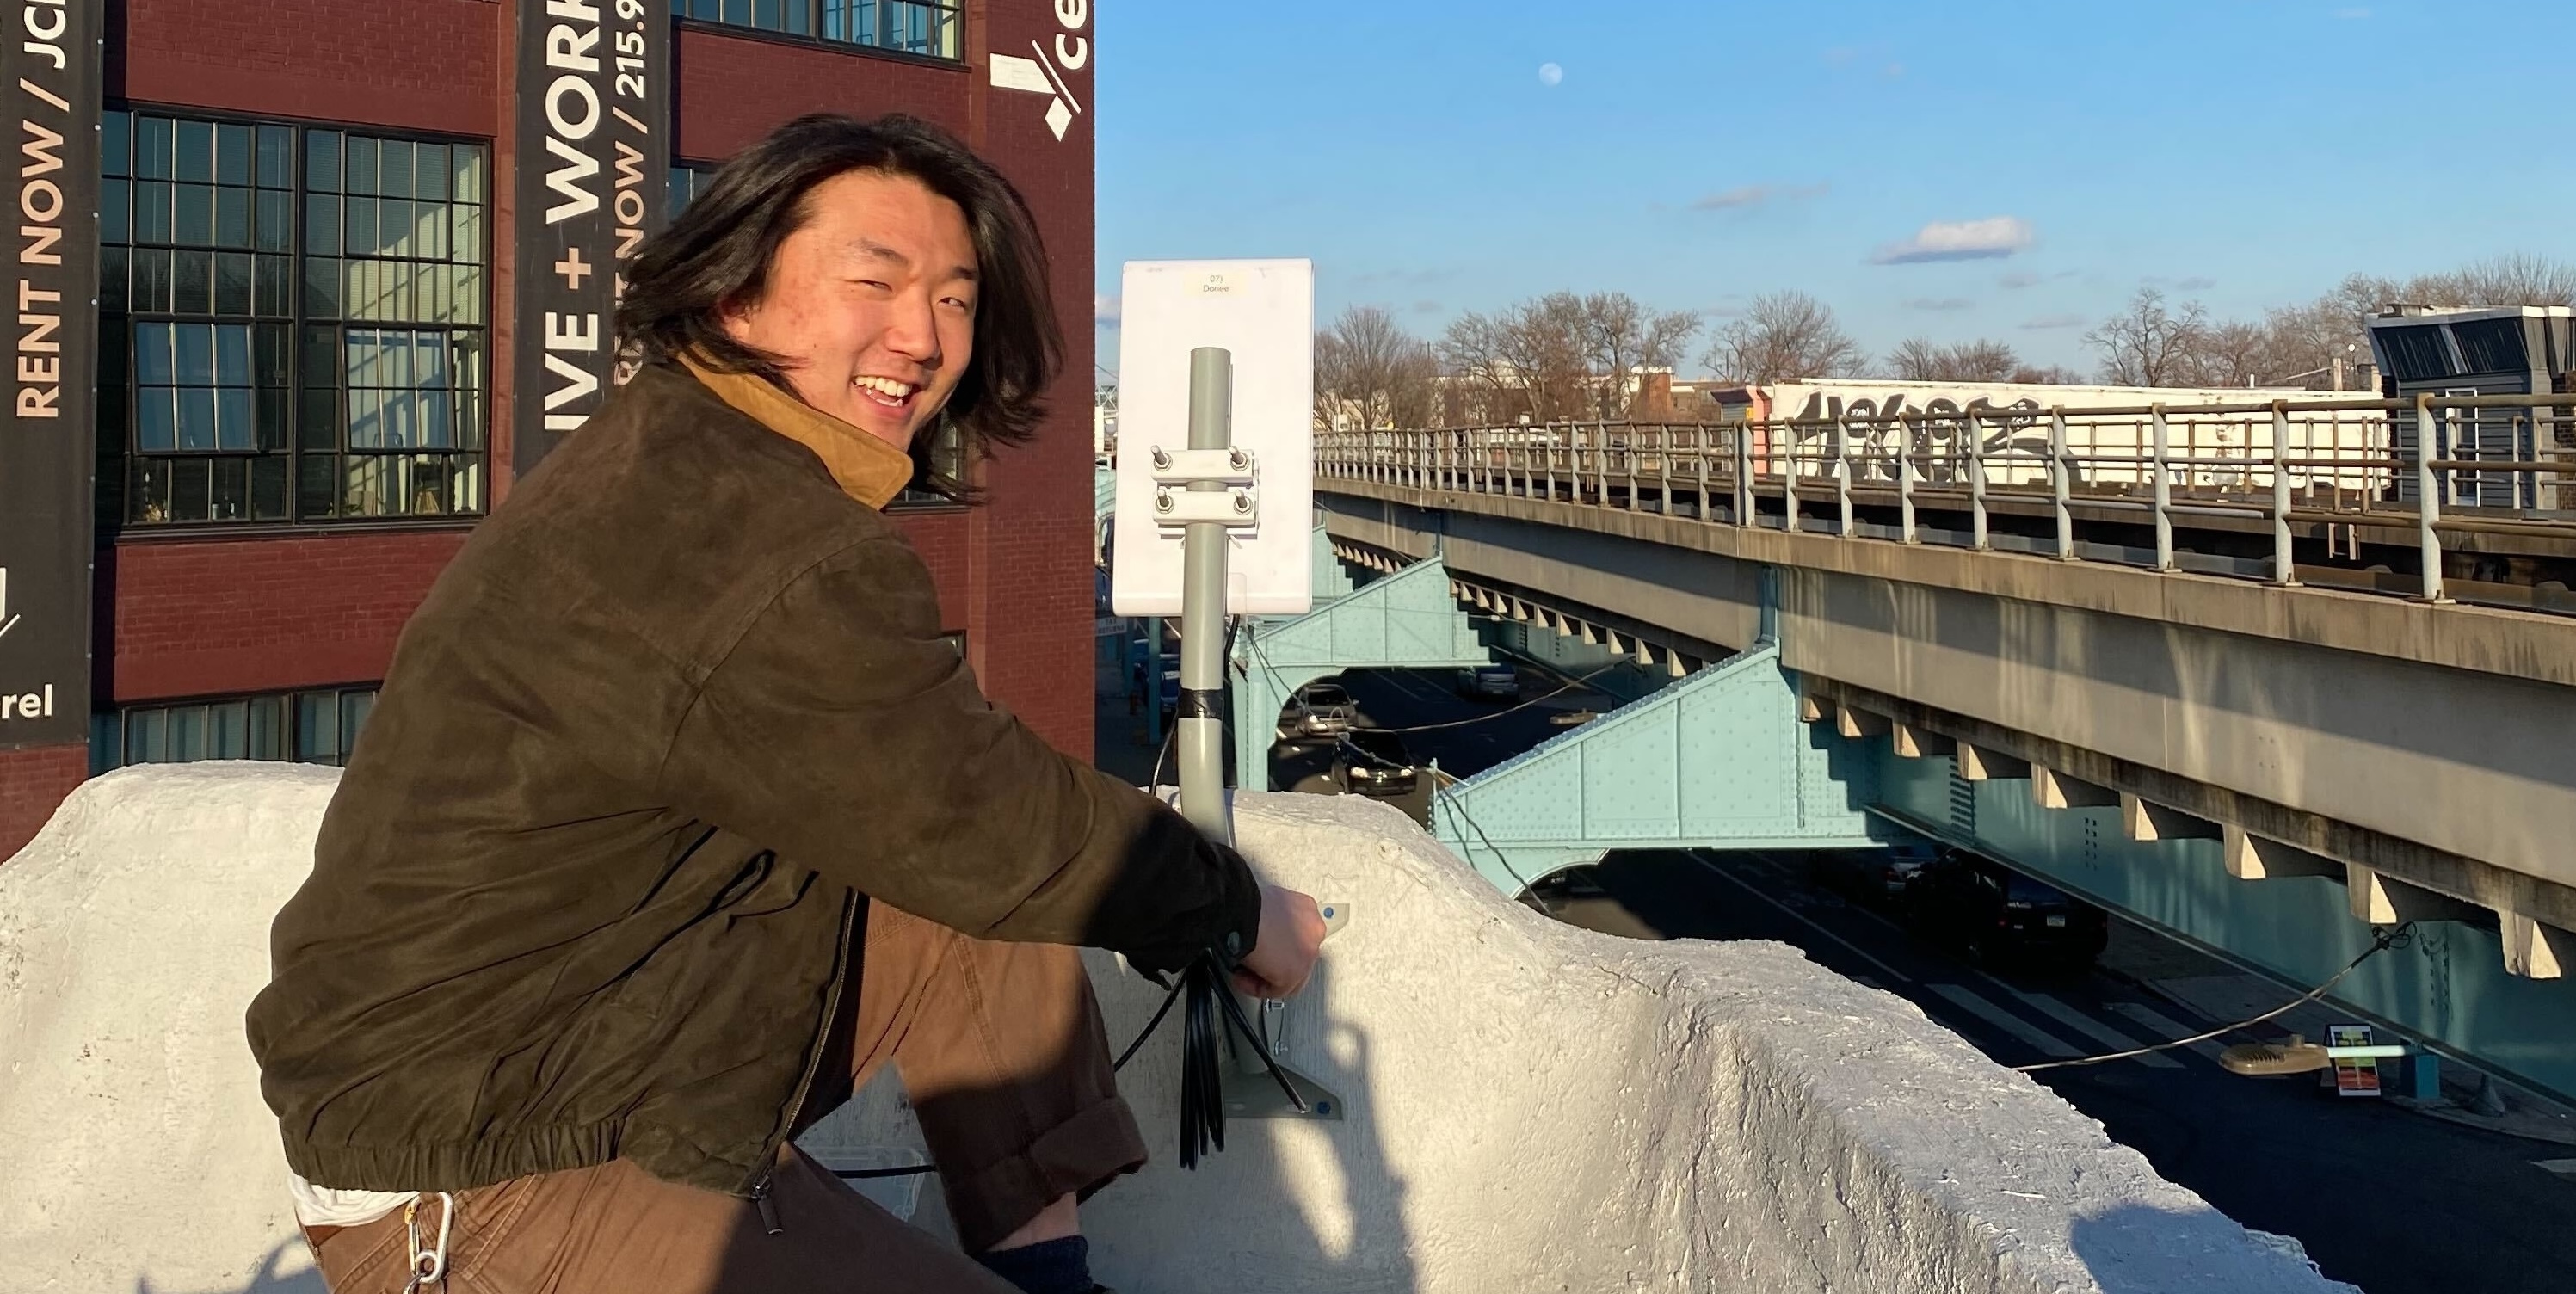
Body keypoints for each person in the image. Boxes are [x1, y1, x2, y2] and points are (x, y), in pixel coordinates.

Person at [246, 113, 1327, 1294]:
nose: (921, 335)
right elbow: (984, 821)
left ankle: (1042, 1267)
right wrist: (1232, 910)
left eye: (957, 298)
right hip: (488, 1171)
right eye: (875, 280)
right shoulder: (736, 530)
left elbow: (949, 797)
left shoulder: (696, 456)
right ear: (730, 296)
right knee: (983, 840)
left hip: (582, 1056)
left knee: (959, 875)